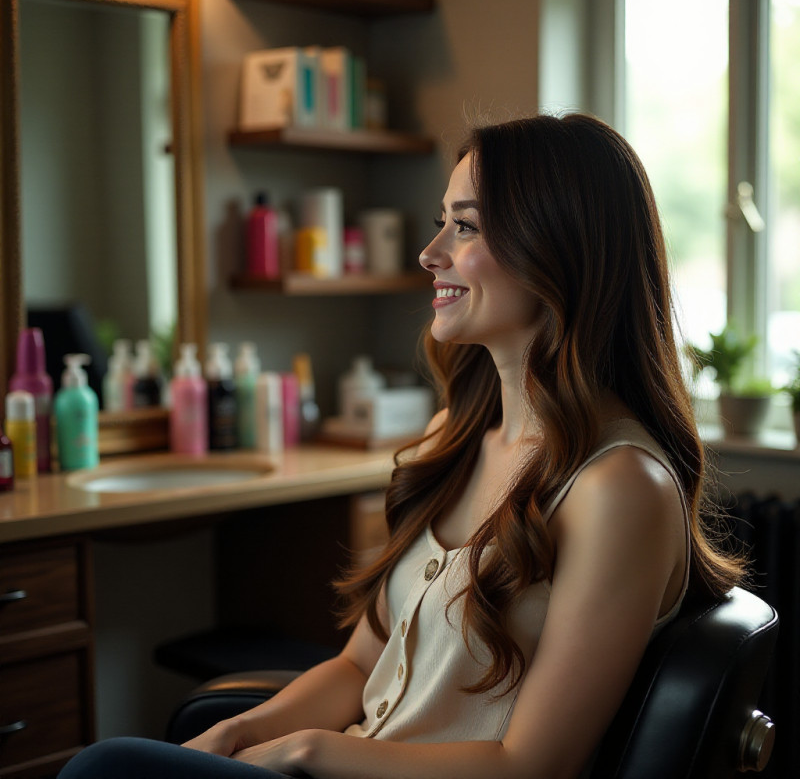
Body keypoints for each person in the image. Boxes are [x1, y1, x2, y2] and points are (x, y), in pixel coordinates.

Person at [58, 113, 744, 779]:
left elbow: (533, 765)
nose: (431, 252)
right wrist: (244, 730)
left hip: (340, 768)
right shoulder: (454, 436)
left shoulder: (619, 488)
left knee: (103, 764)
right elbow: (360, 665)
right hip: (341, 763)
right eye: (442, 221)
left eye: (465, 226)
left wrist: (306, 753)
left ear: (558, 250)